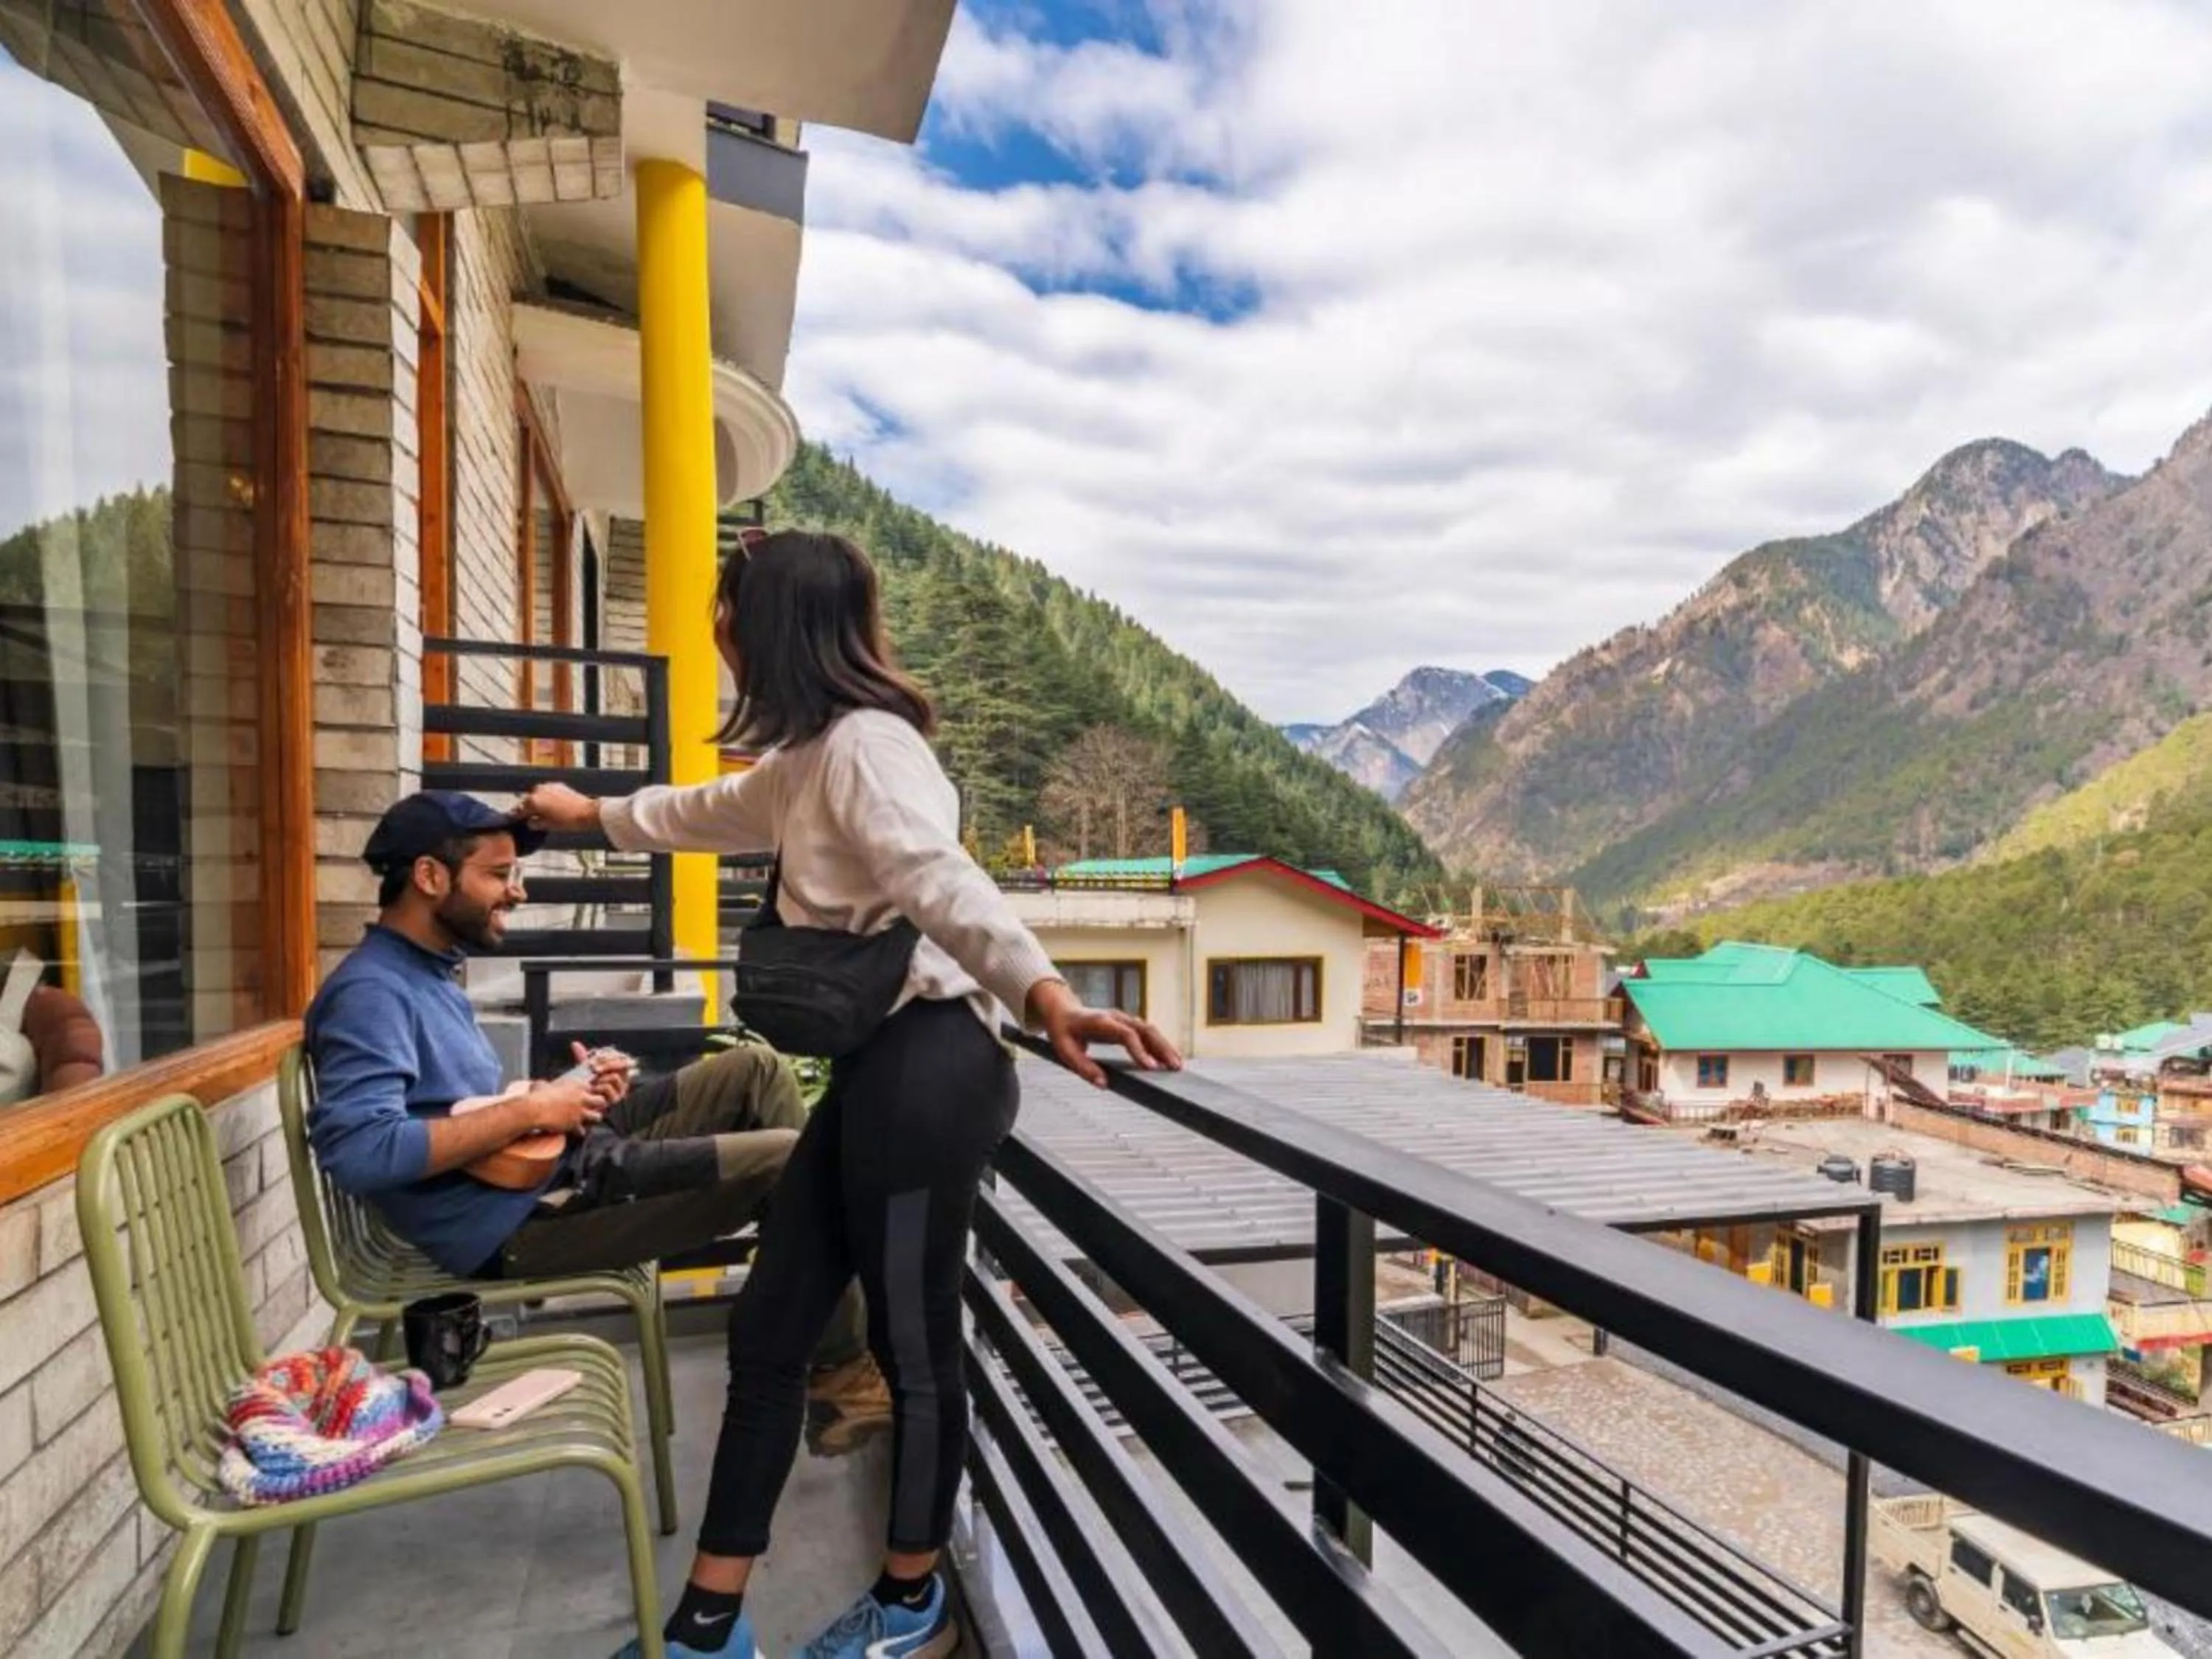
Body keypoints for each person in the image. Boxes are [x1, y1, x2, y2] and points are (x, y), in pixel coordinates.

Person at [521, 528, 1182, 1659]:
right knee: (773, 1325)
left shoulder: (872, 747)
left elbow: (940, 878)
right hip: (879, 1073)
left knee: (914, 1349)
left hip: (932, 1073)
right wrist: (590, 816)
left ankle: (911, 1604)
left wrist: (1045, 991)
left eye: (728, 611)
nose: (720, 632)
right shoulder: (809, 758)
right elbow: (700, 811)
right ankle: (709, 1626)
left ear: (770, 624)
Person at [304, 790, 891, 1456]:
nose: (517, 892)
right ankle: (841, 1367)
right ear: (430, 877)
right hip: (517, 1224)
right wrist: (532, 1110)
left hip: (545, 1171)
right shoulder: (372, 993)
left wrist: (568, 1094)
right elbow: (360, 1149)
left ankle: (818, 1306)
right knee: (793, 1160)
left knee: (755, 1069)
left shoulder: (428, 975)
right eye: (498, 875)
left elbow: (459, 1112)